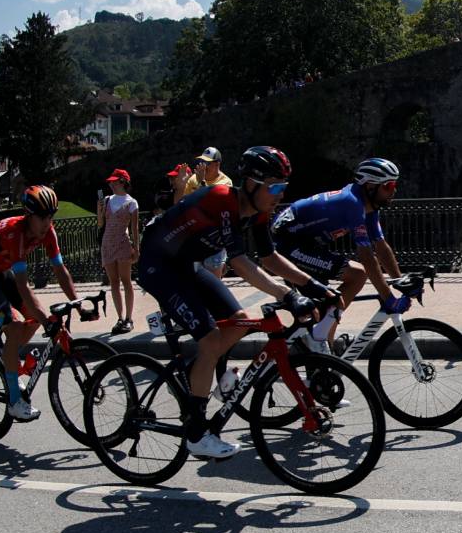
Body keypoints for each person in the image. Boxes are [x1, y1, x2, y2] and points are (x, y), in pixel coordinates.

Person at [137, 146, 328, 460]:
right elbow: (240, 262)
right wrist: (287, 295)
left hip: (187, 265)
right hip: (158, 266)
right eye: (275, 187)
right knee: (211, 340)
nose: (279, 195)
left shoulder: (258, 211)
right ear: (251, 184)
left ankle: (196, 370)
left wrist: (311, 285)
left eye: (284, 188)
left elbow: (269, 257)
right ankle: (197, 435)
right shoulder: (223, 200)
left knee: (238, 320)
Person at [0, 186, 84, 422]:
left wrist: (78, 304)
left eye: (51, 216)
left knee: (33, 320)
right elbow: (22, 285)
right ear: (29, 216)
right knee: (17, 327)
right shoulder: (14, 234)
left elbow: (60, 270)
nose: (47, 222)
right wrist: (44, 318)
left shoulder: (48, 232)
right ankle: (14, 402)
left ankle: (11, 359)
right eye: (42, 217)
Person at [267, 157, 404, 354]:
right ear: (371, 186)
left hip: (308, 244)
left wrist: (400, 280)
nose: (394, 190)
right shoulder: (352, 203)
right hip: (288, 243)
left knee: (329, 304)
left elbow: (381, 248)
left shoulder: (369, 207)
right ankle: (317, 346)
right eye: (389, 186)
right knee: (358, 275)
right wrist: (388, 297)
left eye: (395, 185)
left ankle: (323, 347)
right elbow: (367, 256)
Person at [98, 168, 141, 335]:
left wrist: (136, 248)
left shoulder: (131, 203)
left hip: (123, 243)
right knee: (113, 282)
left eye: (114, 181)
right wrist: (99, 209)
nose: (111, 183)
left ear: (122, 182)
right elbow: (100, 224)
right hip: (107, 244)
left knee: (126, 280)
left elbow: (134, 228)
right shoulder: (107, 200)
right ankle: (120, 317)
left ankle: (129, 318)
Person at [184, 148, 231, 278]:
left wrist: (201, 182)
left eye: (208, 163)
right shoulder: (193, 179)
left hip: (214, 239)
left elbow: (212, 205)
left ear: (217, 164)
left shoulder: (226, 182)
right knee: (194, 284)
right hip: (194, 238)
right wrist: (180, 186)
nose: (203, 166)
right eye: (202, 162)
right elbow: (182, 205)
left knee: (214, 284)